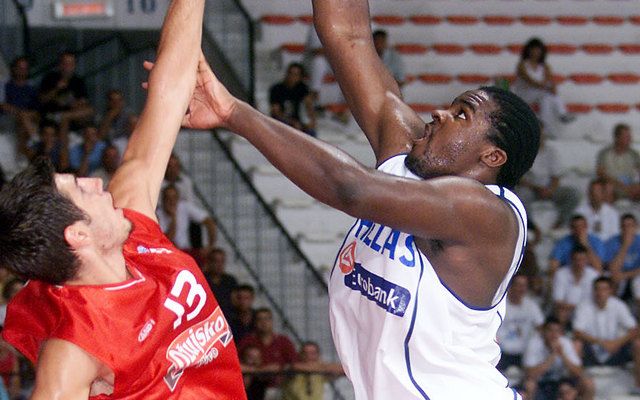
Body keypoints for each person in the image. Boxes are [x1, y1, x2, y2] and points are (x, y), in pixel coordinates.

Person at [159, 0, 541, 395]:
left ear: (491, 157)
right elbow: (349, 35)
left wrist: (232, 112)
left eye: (462, 115)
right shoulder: (408, 158)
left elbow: (350, 188)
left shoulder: (488, 213)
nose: (441, 113)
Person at [0, 1, 246, 398]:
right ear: (78, 234)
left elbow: (168, 93)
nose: (97, 183)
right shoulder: (73, 349)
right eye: (81, 189)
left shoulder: (134, 228)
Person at [573, 276, 640, 394]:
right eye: (597, 289)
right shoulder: (584, 306)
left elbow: (635, 329)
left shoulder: (618, 305)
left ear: (610, 291)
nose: (600, 292)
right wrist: (601, 342)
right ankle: (577, 387)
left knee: (638, 344)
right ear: (593, 291)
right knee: (576, 344)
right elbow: (577, 332)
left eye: (604, 289)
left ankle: (638, 386)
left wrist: (617, 343)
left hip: (616, 350)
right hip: (592, 350)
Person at [515, 125, 579, 229]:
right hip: (530, 188)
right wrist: (536, 188)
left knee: (573, 194)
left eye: (541, 134)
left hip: (549, 188)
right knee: (520, 196)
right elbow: (519, 179)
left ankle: (560, 223)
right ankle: (529, 226)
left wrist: (550, 190)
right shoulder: (523, 152)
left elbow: (556, 176)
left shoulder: (551, 152)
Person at [522, 317, 594, 400]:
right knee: (529, 385)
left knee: (587, 383)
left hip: (561, 382)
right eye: (550, 330)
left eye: (557, 331)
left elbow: (578, 371)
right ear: (543, 332)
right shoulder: (534, 343)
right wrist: (552, 356)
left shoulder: (565, 343)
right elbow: (529, 374)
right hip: (540, 382)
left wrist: (563, 355)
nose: (553, 334)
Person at [510, 38, 574, 130]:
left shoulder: (544, 66)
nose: (536, 52)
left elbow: (550, 80)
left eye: (538, 50)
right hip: (523, 94)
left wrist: (552, 88)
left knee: (547, 99)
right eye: (534, 49)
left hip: (539, 93)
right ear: (529, 50)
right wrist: (547, 88)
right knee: (547, 93)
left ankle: (545, 125)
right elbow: (530, 81)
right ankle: (562, 113)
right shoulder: (522, 65)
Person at [238, 308, 297, 395]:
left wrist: (280, 368)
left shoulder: (283, 341)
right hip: (253, 388)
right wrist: (260, 370)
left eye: (267, 319)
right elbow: (235, 363)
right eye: (260, 319)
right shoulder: (247, 341)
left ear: (272, 321)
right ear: (255, 322)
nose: (264, 322)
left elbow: (294, 364)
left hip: (278, 388)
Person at [496, 275, 545, 372]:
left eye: (524, 286)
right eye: (518, 285)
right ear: (510, 286)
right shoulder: (499, 304)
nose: (521, 289)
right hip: (501, 353)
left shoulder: (531, 305)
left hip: (524, 355)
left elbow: (541, 327)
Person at [38, 52, 94, 129]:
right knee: (66, 119)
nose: (67, 67)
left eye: (70, 64)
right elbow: (42, 100)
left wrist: (73, 103)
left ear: (74, 66)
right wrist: (56, 89)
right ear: (60, 65)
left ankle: (62, 117)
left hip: (70, 113)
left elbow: (83, 102)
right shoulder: (50, 78)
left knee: (89, 111)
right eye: (65, 63)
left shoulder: (78, 81)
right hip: (51, 113)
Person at [156, 184, 217, 250]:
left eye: (174, 198)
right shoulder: (157, 214)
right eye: (168, 198)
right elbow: (167, 240)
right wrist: (173, 218)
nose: (171, 201)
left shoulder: (184, 207)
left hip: (185, 250)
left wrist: (210, 246)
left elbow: (209, 222)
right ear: (163, 200)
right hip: (167, 250)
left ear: (178, 199)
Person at [269, 62, 316, 137]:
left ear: (300, 77)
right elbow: (276, 112)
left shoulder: (302, 88)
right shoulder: (277, 89)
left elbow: (309, 106)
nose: (292, 77)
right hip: (281, 121)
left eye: (296, 75)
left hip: (297, 121)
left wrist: (312, 121)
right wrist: (291, 122)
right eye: (290, 73)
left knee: (311, 132)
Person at [596, 123, 640, 201]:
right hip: (612, 186)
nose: (630, 139)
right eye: (626, 137)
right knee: (605, 188)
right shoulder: (605, 153)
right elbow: (600, 174)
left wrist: (635, 185)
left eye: (629, 137)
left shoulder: (634, 154)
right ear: (617, 138)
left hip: (630, 186)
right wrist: (620, 185)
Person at [552, 244, 600, 314]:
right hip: (565, 312)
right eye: (577, 259)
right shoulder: (561, 274)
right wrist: (579, 308)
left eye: (583, 259)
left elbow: (597, 300)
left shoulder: (594, 275)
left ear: (587, 260)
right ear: (571, 260)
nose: (579, 263)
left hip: (587, 313)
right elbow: (558, 301)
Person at [607, 213, 640, 301]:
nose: (627, 229)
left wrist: (625, 275)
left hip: (634, 274)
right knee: (612, 279)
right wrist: (625, 245)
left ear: (636, 227)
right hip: (618, 274)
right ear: (620, 228)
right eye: (624, 226)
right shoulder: (612, 242)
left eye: (630, 226)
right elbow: (612, 269)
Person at [202, 247, 238, 316]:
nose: (219, 264)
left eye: (222, 261)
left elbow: (235, 302)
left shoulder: (230, 281)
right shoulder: (202, 279)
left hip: (227, 317)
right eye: (216, 261)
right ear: (209, 262)